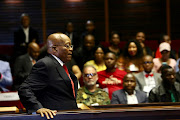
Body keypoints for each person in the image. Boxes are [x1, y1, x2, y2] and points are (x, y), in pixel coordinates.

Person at [18, 33, 78, 119]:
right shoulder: (45, 64)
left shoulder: (61, 65)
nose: (71, 49)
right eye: (67, 46)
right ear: (54, 48)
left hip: (69, 115)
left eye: (71, 46)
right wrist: (38, 108)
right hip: (54, 117)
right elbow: (25, 89)